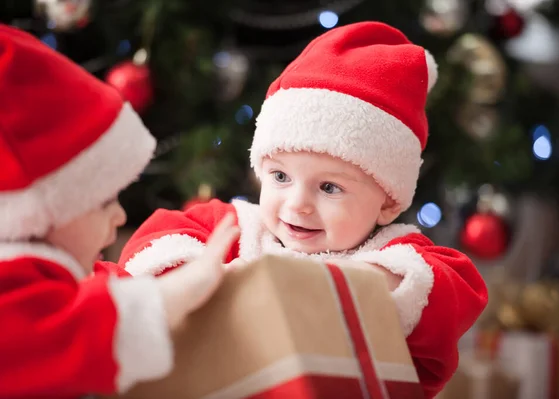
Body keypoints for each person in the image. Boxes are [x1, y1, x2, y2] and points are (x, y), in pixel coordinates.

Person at [117, 21, 488, 398]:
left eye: (329, 187)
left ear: (389, 202)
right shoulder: (238, 229)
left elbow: (449, 289)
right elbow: (153, 246)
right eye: (279, 176)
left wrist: (349, 284)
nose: (297, 205)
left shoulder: (395, 254)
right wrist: (200, 277)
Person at [0, 25, 239, 398]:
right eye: (102, 201)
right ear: (37, 214)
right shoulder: (11, 290)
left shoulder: (57, 275)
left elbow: (98, 294)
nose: (120, 216)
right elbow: (70, 334)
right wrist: (179, 291)